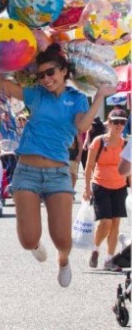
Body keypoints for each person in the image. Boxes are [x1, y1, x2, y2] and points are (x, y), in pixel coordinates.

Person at [0, 43, 115, 288]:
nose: (45, 79)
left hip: (58, 173)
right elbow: (6, 86)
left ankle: (63, 260)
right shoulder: (35, 93)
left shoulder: (77, 99)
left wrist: (99, 97)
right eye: (40, 75)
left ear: (63, 71)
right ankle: (35, 245)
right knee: (28, 240)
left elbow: (82, 127)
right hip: (27, 172)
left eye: (50, 72)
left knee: (63, 239)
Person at [84, 109, 129, 271]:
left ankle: (109, 260)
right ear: (108, 123)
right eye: (115, 122)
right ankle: (95, 249)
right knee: (105, 222)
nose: (118, 125)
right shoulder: (98, 141)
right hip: (100, 185)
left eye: (122, 122)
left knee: (116, 223)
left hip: (120, 186)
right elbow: (89, 166)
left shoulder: (126, 143)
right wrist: (86, 188)